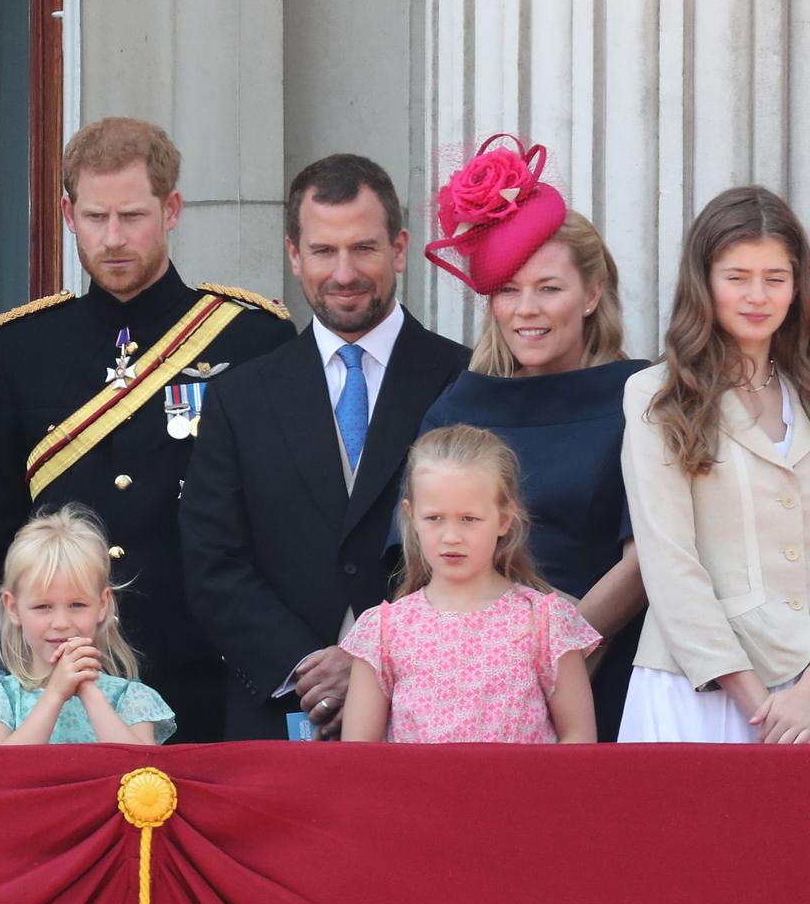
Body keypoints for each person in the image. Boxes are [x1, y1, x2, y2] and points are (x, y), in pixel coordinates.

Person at [0, 118, 292, 742]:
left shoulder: (251, 337)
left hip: (210, 668)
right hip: (68, 676)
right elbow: (1, 530)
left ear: (171, 209)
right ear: (67, 213)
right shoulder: (20, 346)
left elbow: (275, 517)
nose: (113, 238)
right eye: (95, 217)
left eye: (133, 216)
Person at [181, 154, 472, 740]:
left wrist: (369, 663)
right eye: (322, 251)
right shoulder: (240, 397)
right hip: (279, 713)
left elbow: (485, 553)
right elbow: (212, 562)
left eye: (363, 248)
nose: (344, 273)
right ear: (294, 254)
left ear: (399, 247)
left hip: (434, 709)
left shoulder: (465, 382)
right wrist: (306, 668)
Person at [415, 136, 648, 736]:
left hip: (608, 667)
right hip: (473, 682)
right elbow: (418, 553)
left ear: (592, 294)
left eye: (549, 288)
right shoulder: (456, 406)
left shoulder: (642, 397)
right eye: (509, 290)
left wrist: (556, 659)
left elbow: (651, 554)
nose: (527, 309)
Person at [621, 186, 810, 743]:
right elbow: (669, 564)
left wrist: (804, 696)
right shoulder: (656, 395)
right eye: (737, 276)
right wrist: (765, 710)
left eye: (775, 278)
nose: (757, 295)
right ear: (703, 281)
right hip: (697, 691)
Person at [339, 425, 599, 743]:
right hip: (415, 794)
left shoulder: (545, 622)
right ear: (411, 516)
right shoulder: (383, 631)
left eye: (469, 519)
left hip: (520, 793)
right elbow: (359, 754)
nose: (451, 537)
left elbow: (579, 738)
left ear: (505, 519)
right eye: (434, 518)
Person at [0, 508, 175, 745]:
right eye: (43, 607)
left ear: (102, 604)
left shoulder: (130, 700)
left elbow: (143, 771)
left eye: (77, 605)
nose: (61, 624)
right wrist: (55, 695)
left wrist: (89, 692)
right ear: (13, 608)